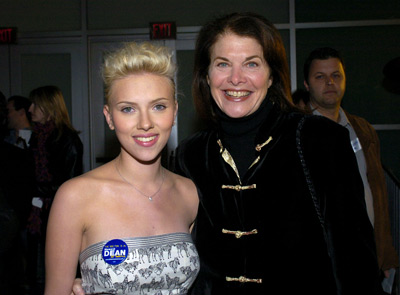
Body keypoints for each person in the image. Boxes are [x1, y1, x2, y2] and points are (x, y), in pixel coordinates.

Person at [72, 12, 382, 295]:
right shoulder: (191, 155)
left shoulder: (320, 141)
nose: (236, 79)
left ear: (272, 75)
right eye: (222, 64)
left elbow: (356, 263)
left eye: (251, 63)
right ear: (206, 76)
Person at [45, 42, 199, 295]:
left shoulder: (189, 192)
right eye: (128, 109)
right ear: (109, 117)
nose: (145, 123)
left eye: (158, 106)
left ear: (174, 112)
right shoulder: (75, 196)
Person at [302, 47, 399, 289]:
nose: (330, 82)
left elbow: (378, 194)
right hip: (318, 260)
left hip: (366, 255)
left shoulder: (362, 129)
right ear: (306, 84)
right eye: (320, 77)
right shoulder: (297, 131)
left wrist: (385, 253)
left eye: (336, 75)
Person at [26, 85, 84, 295]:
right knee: (33, 270)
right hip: (36, 213)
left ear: (49, 107)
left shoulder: (67, 139)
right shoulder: (36, 138)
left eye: (35, 104)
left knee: (52, 272)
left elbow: (69, 184)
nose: (30, 109)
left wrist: (31, 188)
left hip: (57, 213)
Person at [0, 91, 35, 295]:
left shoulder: (40, 138)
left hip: (28, 207)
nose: (7, 115)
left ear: (21, 112)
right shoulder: (6, 140)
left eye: (9, 110)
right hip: (12, 208)